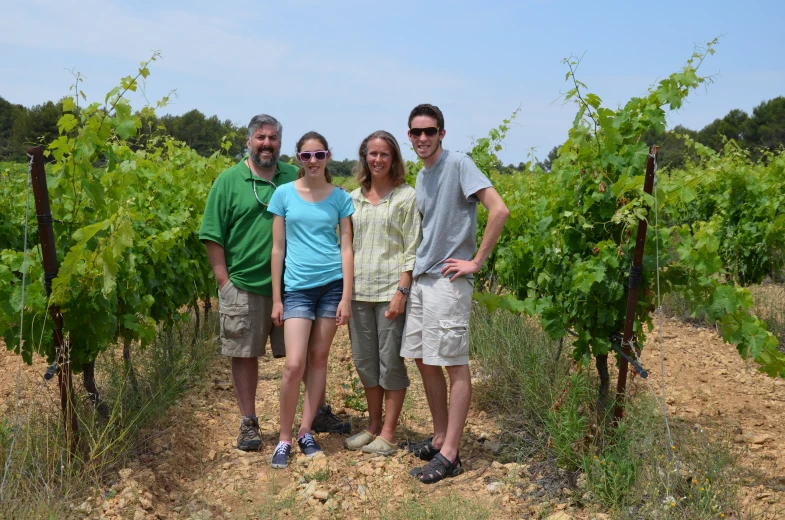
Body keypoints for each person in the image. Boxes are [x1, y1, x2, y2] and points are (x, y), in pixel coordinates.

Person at [200, 116, 349, 453]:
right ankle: (249, 422)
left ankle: (316, 414)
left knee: (308, 354)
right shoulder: (229, 181)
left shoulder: (292, 174)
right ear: (249, 140)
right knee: (245, 353)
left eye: (272, 138)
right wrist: (223, 281)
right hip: (244, 283)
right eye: (260, 138)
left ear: (281, 144)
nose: (266, 144)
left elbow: (323, 197)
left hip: (294, 285)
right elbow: (212, 234)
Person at [400, 104, 510, 483]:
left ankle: (451, 454)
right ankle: (440, 435)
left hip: (448, 282)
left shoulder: (459, 164)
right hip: (423, 281)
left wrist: (475, 262)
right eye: (416, 132)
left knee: (453, 362)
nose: (422, 138)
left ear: (442, 133)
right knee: (424, 359)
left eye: (429, 131)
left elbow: (499, 210)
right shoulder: (421, 176)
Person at [268, 131, 355, 468]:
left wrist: (346, 295)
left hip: (332, 286)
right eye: (306, 156)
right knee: (294, 364)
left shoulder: (340, 199)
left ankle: (306, 431)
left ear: (328, 157)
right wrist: (277, 297)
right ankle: (283, 438)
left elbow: (347, 247)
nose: (313, 161)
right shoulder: (283, 194)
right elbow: (277, 249)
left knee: (319, 360)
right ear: (298, 160)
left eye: (319, 155)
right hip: (298, 289)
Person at [343, 131, 421, 455]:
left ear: (394, 159)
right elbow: (346, 247)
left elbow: (411, 249)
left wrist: (402, 291)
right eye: (372, 154)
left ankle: (388, 434)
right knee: (365, 363)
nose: (377, 160)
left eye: (384, 154)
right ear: (365, 157)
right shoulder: (352, 199)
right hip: (360, 292)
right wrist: (345, 295)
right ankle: (373, 427)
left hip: (391, 291)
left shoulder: (406, 197)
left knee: (390, 363)